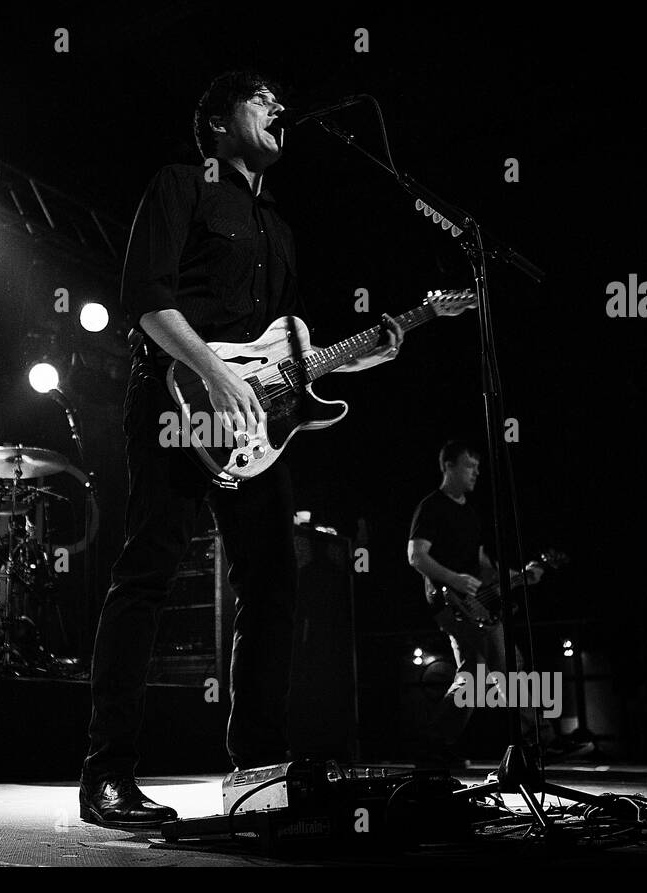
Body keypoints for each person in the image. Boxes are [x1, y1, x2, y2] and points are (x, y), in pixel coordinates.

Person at [80, 70, 404, 828]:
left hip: (256, 428)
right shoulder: (180, 185)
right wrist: (211, 372)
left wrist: (365, 353)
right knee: (149, 572)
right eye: (260, 99)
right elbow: (144, 297)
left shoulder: (280, 229)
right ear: (219, 123)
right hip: (181, 402)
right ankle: (108, 776)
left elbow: (288, 350)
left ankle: (259, 767)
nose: (278, 109)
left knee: (274, 586)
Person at [406, 440, 548, 769]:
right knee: (508, 661)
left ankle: (434, 744)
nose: (476, 472)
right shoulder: (432, 507)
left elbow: (483, 566)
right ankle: (535, 737)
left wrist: (519, 576)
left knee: (473, 674)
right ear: (448, 466)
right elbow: (416, 555)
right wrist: (454, 579)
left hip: (474, 603)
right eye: (469, 465)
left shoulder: (470, 513)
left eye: (478, 467)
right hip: (447, 601)